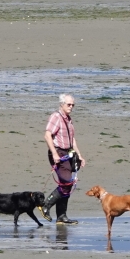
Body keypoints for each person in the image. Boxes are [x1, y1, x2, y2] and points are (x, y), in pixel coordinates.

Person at [42, 94, 85, 224]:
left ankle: (61, 216)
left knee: (66, 184)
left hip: (69, 153)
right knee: (67, 183)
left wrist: (80, 155)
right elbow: (47, 135)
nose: (71, 107)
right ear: (61, 104)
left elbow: (72, 139)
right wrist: (54, 154)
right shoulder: (56, 117)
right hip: (59, 153)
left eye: (73, 105)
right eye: (69, 104)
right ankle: (45, 205)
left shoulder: (68, 119)